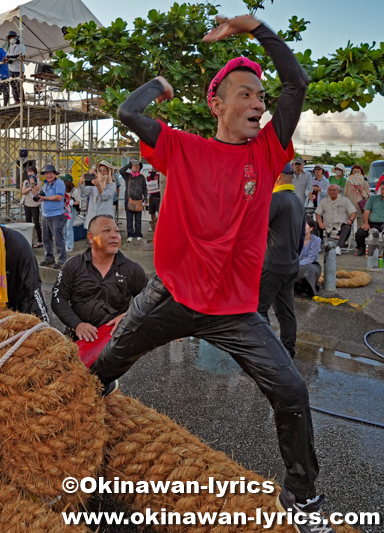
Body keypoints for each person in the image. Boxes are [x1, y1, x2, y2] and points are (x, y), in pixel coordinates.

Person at [89, 15, 331, 527]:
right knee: (102, 369)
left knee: (292, 391)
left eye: (261, 97)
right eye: (246, 94)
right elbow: (127, 111)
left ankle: (303, 496)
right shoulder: (182, 147)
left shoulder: (268, 153)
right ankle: (78, 429)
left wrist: (257, 27)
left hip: (235, 311)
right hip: (170, 296)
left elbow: (298, 83)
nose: (259, 104)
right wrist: (157, 85)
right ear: (216, 105)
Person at [52, 215, 147, 341]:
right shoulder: (73, 265)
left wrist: (128, 316)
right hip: (77, 342)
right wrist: (77, 324)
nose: (114, 235)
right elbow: (58, 298)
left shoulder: (132, 270)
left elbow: (148, 303)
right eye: (107, 230)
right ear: (91, 237)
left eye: (117, 231)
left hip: (116, 344)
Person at [257, 163, 306, 358]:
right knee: (286, 313)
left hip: (272, 265)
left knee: (258, 312)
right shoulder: (298, 201)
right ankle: (288, 352)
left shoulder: (274, 199)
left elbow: (256, 229)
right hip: (291, 265)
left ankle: (269, 355)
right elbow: (301, 239)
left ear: (277, 177)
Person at [37, 164, 66, 269]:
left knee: (58, 238)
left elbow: (59, 197)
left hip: (57, 215)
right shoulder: (45, 185)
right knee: (46, 238)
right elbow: (45, 198)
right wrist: (40, 198)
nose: (48, 175)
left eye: (50, 173)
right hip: (45, 215)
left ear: (54, 174)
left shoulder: (59, 183)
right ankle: (49, 258)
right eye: (46, 173)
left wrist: (45, 198)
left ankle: (62, 260)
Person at [315, 183, 355, 252]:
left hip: (341, 223)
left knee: (347, 227)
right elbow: (318, 214)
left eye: (334, 190)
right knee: (314, 225)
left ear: (338, 191)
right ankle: (316, 246)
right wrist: (320, 222)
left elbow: (353, 212)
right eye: (330, 190)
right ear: (327, 192)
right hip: (327, 224)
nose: (332, 192)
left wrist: (350, 220)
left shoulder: (345, 200)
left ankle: (338, 247)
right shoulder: (324, 201)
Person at [82, 160, 117, 230]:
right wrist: (81, 183)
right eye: (100, 170)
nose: (102, 173)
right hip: (92, 217)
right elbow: (85, 192)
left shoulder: (112, 185)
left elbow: (104, 197)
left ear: (108, 172)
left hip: (105, 216)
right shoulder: (93, 183)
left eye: (104, 170)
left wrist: (98, 186)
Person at [119, 160, 148, 242]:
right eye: (134, 165)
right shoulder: (127, 176)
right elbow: (121, 171)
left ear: (140, 167)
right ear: (131, 167)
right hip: (129, 200)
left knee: (138, 219)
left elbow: (144, 189)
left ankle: (138, 234)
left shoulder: (142, 177)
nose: (135, 166)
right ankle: (130, 234)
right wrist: (129, 163)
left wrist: (145, 199)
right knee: (129, 219)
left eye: (137, 165)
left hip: (139, 200)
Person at [354, 181, 384, 256]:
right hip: (372, 223)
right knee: (360, 233)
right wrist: (366, 223)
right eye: (382, 189)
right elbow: (366, 212)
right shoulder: (373, 199)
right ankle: (361, 248)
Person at [296, 217, 322, 297]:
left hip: (310, 264)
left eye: (304, 225)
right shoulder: (295, 239)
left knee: (309, 269)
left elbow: (310, 258)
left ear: (311, 228)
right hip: (295, 264)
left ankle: (307, 287)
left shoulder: (316, 240)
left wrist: (296, 264)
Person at [21, 166, 42, 248]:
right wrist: (30, 186)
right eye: (28, 172)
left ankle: (40, 240)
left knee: (36, 222)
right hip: (27, 204)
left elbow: (35, 194)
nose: (30, 174)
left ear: (35, 173)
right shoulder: (25, 182)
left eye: (31, 172)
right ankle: (29, 240)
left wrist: (32, 185)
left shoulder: (39, 182)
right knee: (28, 222)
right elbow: (23, 192)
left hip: (35, 205)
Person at [5, 30, 25, 104]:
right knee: (12, 85)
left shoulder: (21, 45)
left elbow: (20, 55)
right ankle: (16, 100)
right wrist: (7, 59)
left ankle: (22, 100)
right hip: (11, 68)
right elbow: (7, 56)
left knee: (19, 84)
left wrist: (9, 57)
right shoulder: (9, 46)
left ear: (16, 37)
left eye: (12, 37)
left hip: (18, 68)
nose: (11, 38)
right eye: (10, 37)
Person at [62, 174, 81, 252]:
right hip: (64, 209)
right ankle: (64, 244)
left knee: (69, 226)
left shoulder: (75, 190)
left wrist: (72, 202)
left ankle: (70, 246)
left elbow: (79, 202)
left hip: (72, 209)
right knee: (63, 226)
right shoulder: (63, 189)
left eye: (64, 181)